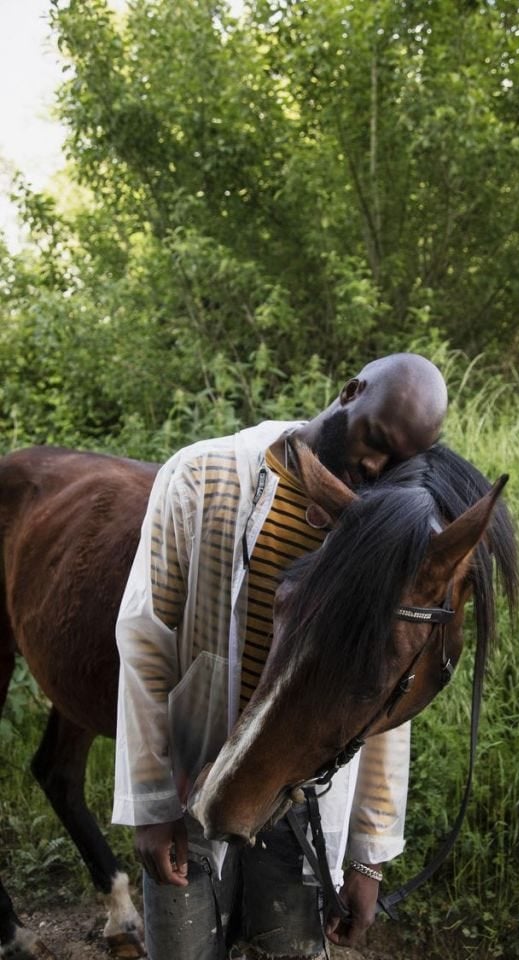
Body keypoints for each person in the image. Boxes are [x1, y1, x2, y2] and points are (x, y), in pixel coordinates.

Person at [112, 352, 448, 960]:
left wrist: (369, 855)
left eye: (397, 461)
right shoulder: (201, 475)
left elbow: (381, 692)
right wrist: (151, 803)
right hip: (195, 779)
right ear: (350, 392)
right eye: (374, 440)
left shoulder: (378, 530)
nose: (374, 465)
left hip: (304, 801)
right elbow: (144, 641)